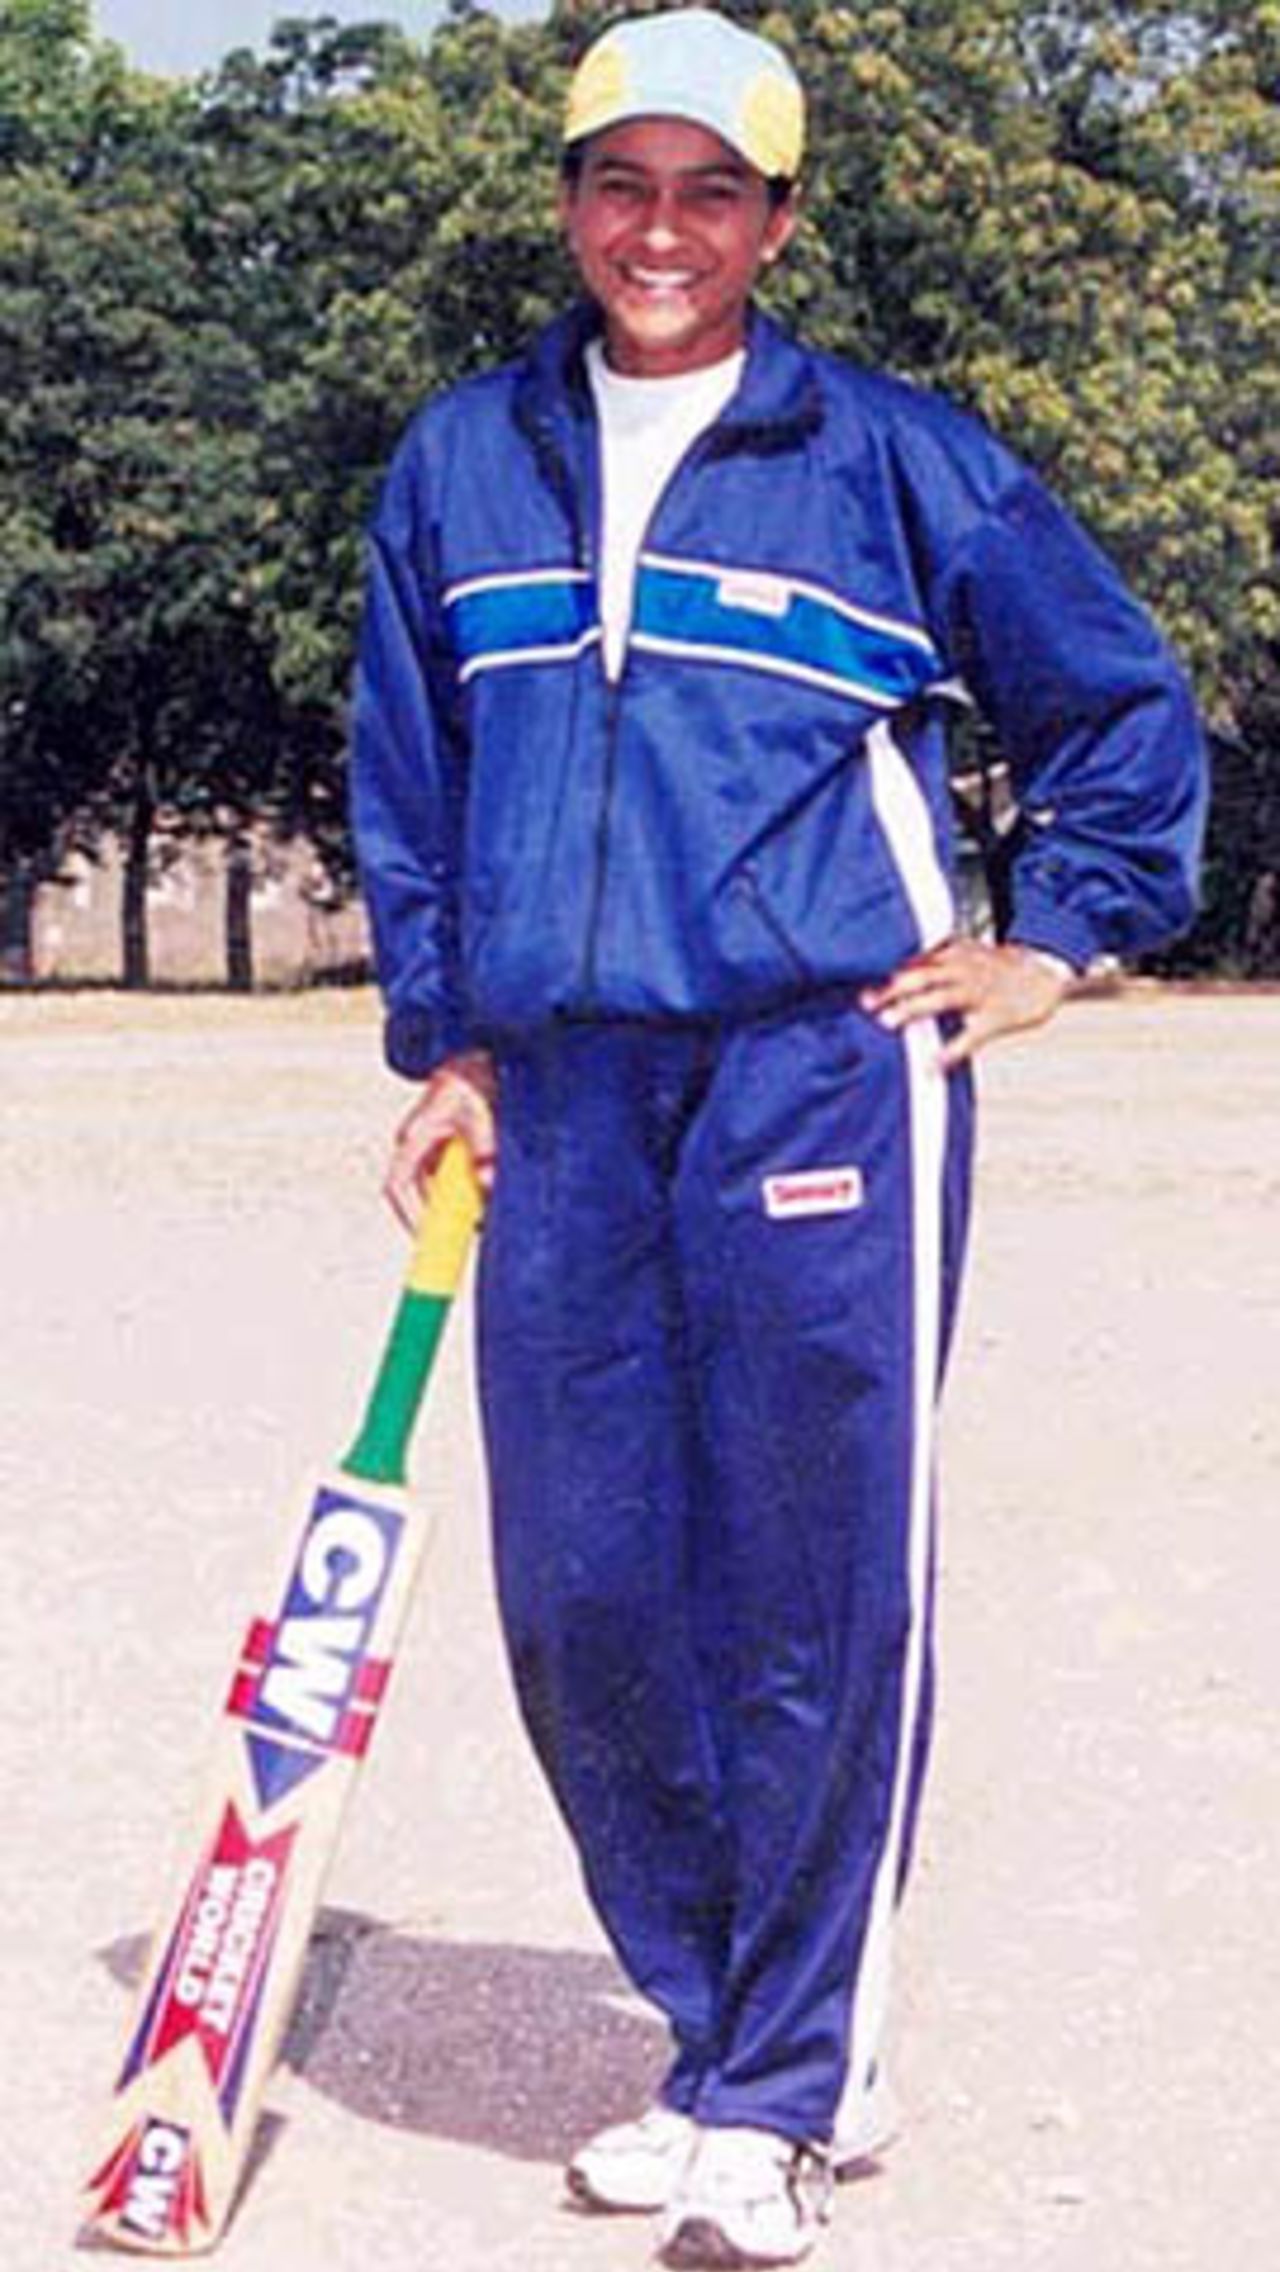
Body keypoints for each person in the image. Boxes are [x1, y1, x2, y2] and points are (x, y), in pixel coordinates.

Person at [351, 11, 1206, 2265]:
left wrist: (1061, 938)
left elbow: (1118, 705)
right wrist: (443, 1044)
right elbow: (411, 791)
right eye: (621, 184)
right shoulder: (461, 464)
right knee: (583, 1591)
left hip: (819, 1074)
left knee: (805, 1578)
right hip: (562, 1090)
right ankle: (726, 2016)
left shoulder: (891, 458)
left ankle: (783, 2082)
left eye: (710, 192)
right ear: (565, 200)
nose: (661, 231)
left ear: (778, 220)